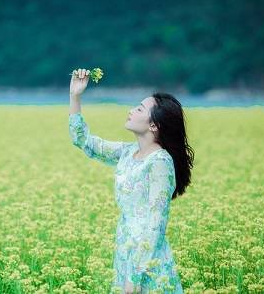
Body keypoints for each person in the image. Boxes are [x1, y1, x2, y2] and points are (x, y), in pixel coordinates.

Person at [68, 68, 194, 293]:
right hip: (125, 254)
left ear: (154, 125)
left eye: (139, 109)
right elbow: (83, 140)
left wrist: (133, 280)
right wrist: (75, 96)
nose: (130, 110)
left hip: (148, 264)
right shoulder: (128, 152)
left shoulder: (160, 163)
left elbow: (156, 224)